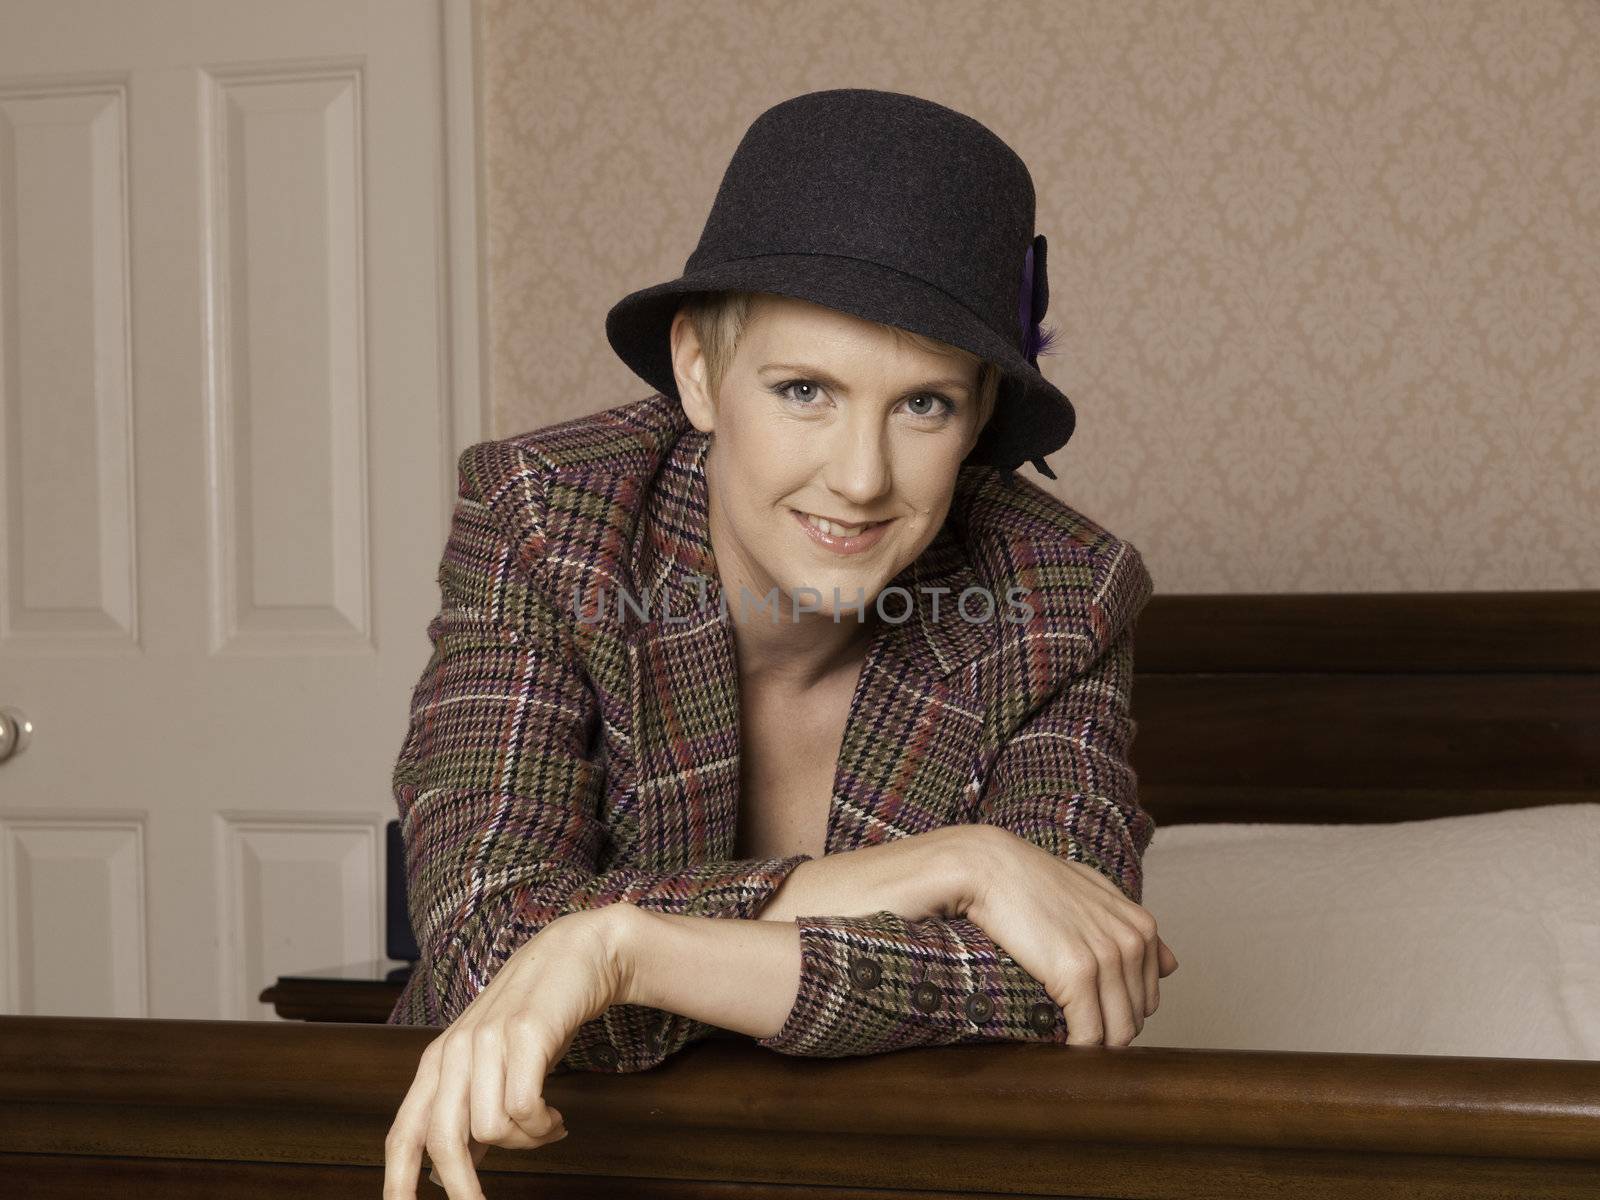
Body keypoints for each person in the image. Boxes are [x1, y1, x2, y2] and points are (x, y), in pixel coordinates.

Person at [383, 88, 1179, 1198]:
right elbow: (483, 945)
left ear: (982, 411)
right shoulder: (548, 521)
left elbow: (1055, 986)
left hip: (885, 1178)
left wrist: (620, 950)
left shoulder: (1060, 595)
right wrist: (953, 865)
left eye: (924, 407)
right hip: (534, 1168)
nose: (859, 476)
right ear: (701, 375)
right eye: (805, 390)